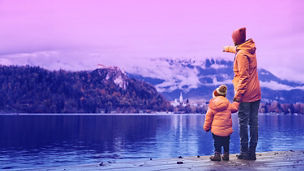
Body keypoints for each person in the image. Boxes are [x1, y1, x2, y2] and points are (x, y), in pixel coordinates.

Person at [223, 27, 261, 160]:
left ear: (236, 40)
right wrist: (227, 48)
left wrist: (237, 97)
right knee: (254, 122)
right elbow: (238, 50)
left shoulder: (241, 55)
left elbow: (244, 77)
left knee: (243, 123)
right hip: (256, 92)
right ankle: (252, 152)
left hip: (245, 94)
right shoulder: (249, 49)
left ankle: (244, 152)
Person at [203, 85, 239, 161]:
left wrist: (206, 127)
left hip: (216, 130)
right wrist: (236, 101)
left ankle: (217, 155)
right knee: (226, 142)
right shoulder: (228, 103)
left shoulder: (212, 105)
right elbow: (235, 109)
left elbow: (208, 118)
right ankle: (226, 155)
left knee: (217, 142)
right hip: (227, 129)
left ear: (216, 94)